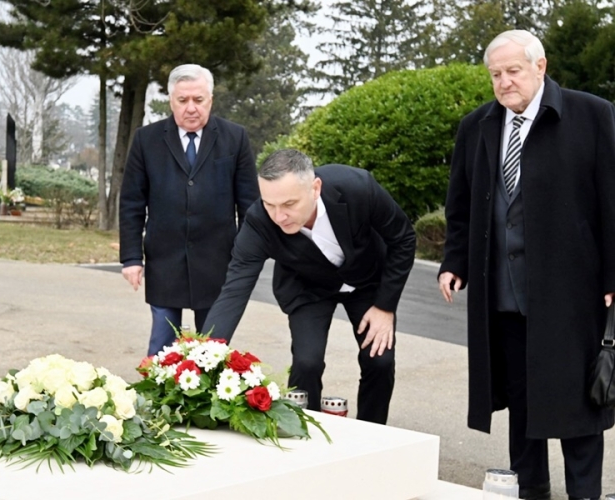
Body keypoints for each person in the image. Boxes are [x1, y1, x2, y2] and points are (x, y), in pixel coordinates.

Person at [439, 30, 615, 500]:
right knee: (522, 402)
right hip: (503, 293)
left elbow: (612, 201)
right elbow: (461, 206)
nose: (503, 82)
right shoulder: (476, 126)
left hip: (571, 292)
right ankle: (530, 489)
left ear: (541, 66)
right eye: (495, 74)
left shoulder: (592, 115)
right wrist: (454, 262)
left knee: (579, 405)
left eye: (513, 71)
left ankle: (584, 494)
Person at [202, 149, 415, 423]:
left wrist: (385, 307)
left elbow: (404, 239)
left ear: (315, 188)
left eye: (289, 204)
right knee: (307, 363)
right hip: (307, 287)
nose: (279, 216)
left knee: (380, 361)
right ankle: (304, 431)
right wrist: (206, 353)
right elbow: (235, 288)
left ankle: (372, 434)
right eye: (270, 204)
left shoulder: (357, 187)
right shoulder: (258, 222)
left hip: (368, 281)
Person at [119, 64, 259, 356]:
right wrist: (131, 257)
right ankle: (158, 403)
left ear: (210, 99)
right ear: (171, 100)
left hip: (217, 262)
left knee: (211, 354)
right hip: (164, 260)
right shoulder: (147, 140)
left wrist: (244, 257)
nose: (191, 108)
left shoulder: (235, 138)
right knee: (162, 350)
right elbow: (132, 203)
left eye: (199, 100)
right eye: (183, 101)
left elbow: (249, 205)